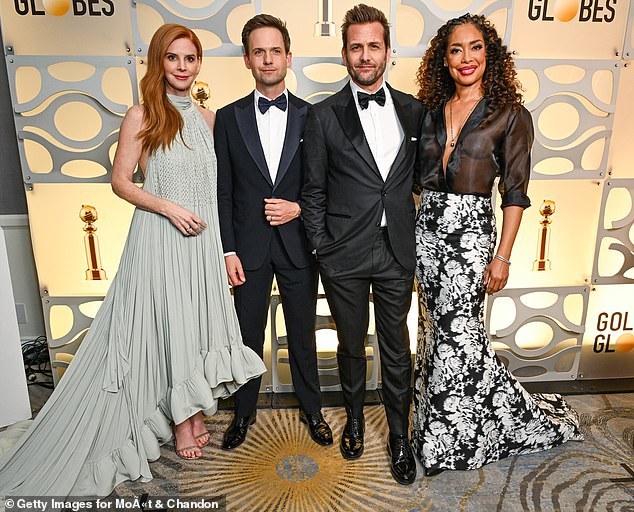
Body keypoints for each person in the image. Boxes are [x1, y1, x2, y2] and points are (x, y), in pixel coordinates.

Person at [0, 24, 266, 496]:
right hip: (162, 237)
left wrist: (224, 245)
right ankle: (185, 421)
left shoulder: (210, 120)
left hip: (204, 243)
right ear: (158, 62)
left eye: (191, 59)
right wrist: (168, 207)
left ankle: (193, 407)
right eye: (174, 58)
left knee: (199, 325)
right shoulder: (141, 115)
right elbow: (121, 181)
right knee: (174, 324)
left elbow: (220, 190)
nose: (183, 67)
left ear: (198, 64)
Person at [412, 13, 583, 477]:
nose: (466, 58)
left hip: (471, 236)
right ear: (443, 60)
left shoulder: (510, 115)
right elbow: (416, 183)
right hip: (426, 233)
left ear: (490, 54)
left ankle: (455, 441)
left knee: (461, 340)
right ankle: (432, 428)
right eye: (455, 50)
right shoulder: (430, 111)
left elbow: (515, 192)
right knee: (433, 337)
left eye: (475, 48)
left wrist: (502, 255)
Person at [302, 4, 423, 485]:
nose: (365, 55)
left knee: (397, 347)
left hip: (396, 248)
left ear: (388, 52)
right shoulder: (323, 115)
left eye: (374, 46)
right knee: (350, 345)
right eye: (357, 47)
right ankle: (353, 419)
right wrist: (321, 247)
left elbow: (422, 182)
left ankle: (399, 435)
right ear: (345, 52)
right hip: (343, 254)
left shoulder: (415, 110)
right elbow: (311, 190)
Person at [215, 14, 332, 450]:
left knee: (303, 333)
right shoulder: (227, 118)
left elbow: (325, 184)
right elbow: (223, 192)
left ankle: (313, 411)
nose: (268, 59)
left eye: (275, 51)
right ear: (247, 59)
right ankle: (243, 415)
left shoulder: (313, 116)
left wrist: (298, 207)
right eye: (258, 51)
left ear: (288, 56)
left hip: (300, 245)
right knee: (247, 337)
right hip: (247, 249)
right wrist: (228, 251)